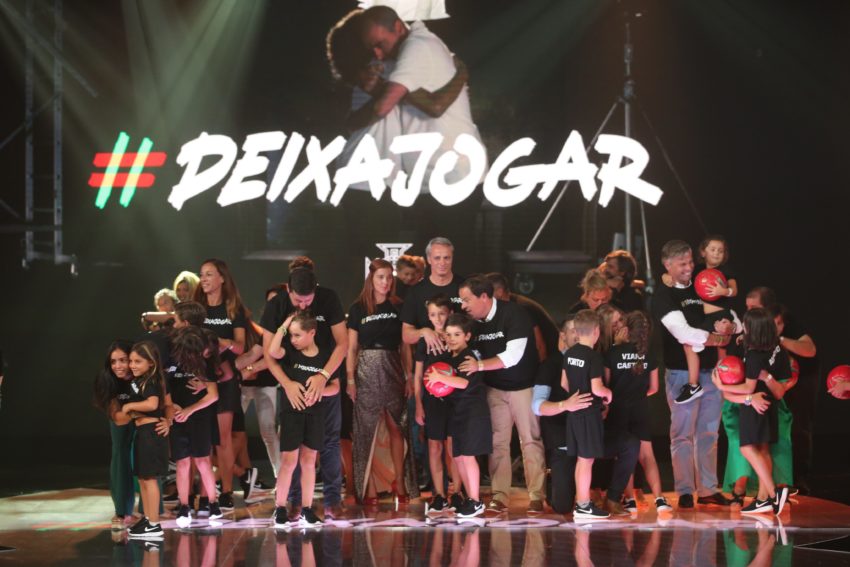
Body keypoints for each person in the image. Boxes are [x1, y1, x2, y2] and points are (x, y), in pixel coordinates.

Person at [357, 6, 485, 186]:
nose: (377, 54)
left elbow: (432, 107)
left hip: (453, 174)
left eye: (379, 44)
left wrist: (382, 89)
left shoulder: (416, 46)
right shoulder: (399, 55)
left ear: (398, 27)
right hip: (433, 176)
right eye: (371, 48)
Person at [651, 240, 735, 509]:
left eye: (690, 261)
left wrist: (730, 325)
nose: (689, 267)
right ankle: (685, 490)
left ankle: (708, 489)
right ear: (667, 265)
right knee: (682, 435)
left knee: (709, 433)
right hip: (680, 373)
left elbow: (730, 312)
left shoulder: (702, 281)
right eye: (682, 264)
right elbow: (683, 333)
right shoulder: (663, 296)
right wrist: (717, 338)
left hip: (711, 371)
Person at [261, 265, 348, 519]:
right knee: (291, 452)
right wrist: (287, 384)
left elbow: (343, 343)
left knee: (328, 442)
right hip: (293, 386)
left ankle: (331, 499)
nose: (302, 305)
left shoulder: (329, 299)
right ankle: (292, 500)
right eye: (298, 300)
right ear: (288, 290)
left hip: (324, 376)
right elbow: (270, 353)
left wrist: (324, 376)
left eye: (308, 300)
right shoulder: (276, 305)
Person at [456, 275, 546, 515]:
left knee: (531, 441)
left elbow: (513, 356)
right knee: (497, 443)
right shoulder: (472, 323)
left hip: (524, 386)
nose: (463, 305)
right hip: (494, 388)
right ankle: (499, 495)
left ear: (484, 297)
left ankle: (536, 496)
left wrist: (479, 366)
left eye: (467, 300)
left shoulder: (514, 314)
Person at [346, 259, 417, 504]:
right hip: (365, 369)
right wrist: (350, 380)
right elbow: (351, 348)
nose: (385, 282)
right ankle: (370, 488)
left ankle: (400, 483)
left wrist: (409, 376)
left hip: (392, 367)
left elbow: (405, 346)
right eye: (380, 277)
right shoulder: (358, 308)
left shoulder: (399, 306)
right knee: (368, 429)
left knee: (396, 426)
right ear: (371, 279)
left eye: (389, 277)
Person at [711, 309, 790, 515]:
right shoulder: (776, 348)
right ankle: (764, 499)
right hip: (769, 404)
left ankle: (773, 494)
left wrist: (721, 386)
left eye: (745, 325)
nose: (743, 328)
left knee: (747, 448)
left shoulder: (754, 355)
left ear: (752, 329)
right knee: (763, 450)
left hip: (755, 405)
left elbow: (748, 388)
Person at [269, 313, 341, 529]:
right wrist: (283, 325)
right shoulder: (290, 352)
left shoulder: (325, 356)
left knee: (309, 461)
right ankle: (280, 508)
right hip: (292, 414)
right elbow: (272, 351)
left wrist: (318, 392)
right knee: (289, 461)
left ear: (312, 333)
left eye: (297, 335)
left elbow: (335, 387)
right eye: (291, 335)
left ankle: (307, 509)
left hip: (315, 414)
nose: (293, 340)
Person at [194, 258, 248, 511]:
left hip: (225, 380)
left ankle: (226, 491)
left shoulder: (233, 309)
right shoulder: (197, 309)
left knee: (223, 439)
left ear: (222, 278)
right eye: (202, 274)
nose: (204, 279)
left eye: (209, 274)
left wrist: (220, 342)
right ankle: (206, 493)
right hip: (200, 380)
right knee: (203, 440)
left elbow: (240, 347)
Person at [424, 313, 490, 518]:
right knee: (459, 457)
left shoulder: (469, 356)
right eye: (449, 334)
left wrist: (438, 377)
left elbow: (463, 383)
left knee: (468, 457)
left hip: (472, 413)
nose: (452, 339)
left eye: (457, 334)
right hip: (457, 413)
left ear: (467, 336)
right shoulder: (450, 357)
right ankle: (470, 499)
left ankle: (476, 501)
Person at [604, 311, 671, 513]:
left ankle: (629, 500)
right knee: (648, 456)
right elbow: (654, 388)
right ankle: (659, 499)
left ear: (626, 328)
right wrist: (638, 395)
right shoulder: (648, 355)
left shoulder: (612, 353)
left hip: (618, 410)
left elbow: (606, 385)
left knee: (625, 456)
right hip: (640, 409)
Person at [531, 316, 594, 514]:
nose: (578, 334)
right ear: (563, 335)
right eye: (573, 330)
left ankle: (610, 496)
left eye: (581, 329)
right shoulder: (551, 364)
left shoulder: (593, 359)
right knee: (562, 506)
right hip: (563, 438)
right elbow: (537, 406)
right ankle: (555, 485)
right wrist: (565, 405)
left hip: (589, 435)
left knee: (627, 445)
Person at [167, 326, 223, 528]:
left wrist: (189, 410)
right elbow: (164, 390)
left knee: (203, 461)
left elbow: (213, 395)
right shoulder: (171, 363)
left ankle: (213, 503)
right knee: (182, 463)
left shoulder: (204, 364)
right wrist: (171, 406)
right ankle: (184, 506)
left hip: (199, 417)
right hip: (177, 418)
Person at [675, 236, 740, 405]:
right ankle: (694, 384)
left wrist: (723, 291)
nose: (716, 253)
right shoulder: (697, 270)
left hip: (720, 315)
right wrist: (668, 278)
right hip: (703, 317)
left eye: (720, 251)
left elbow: (734, 290)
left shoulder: (726, 270)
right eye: (713, 249)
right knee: (689, 344)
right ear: (703, 252)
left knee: (720, 346)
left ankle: (720, 382)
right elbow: (681, 278)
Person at [413, 295, 462, 513]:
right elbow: (418, 376)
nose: (438, 319)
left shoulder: (456, 338)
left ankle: (457, 493)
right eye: (433, 315)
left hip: (455, 401)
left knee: (453, 447)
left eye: (441, 314)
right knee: (434, 447)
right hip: (432, 402)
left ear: (450, 313)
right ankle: (439, 495)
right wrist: (418, 404)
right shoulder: (425, 341)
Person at [561, 310, 613, 520]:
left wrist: (575, 397)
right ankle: (583, 506)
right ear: (596, 331)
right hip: (589, 414)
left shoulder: (569, 353)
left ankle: (581, 503)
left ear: (575, 331)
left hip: (574, 413)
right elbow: (597, 388)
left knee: (582, 460)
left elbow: (564, 383)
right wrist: (608, 394)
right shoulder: (593, 356)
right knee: (586, 460)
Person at [123, 341, 170, 539]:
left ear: (151, 363)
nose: (132, 365)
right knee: (143, 478)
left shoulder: (151, 381)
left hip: (151, 434)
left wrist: (129, 407)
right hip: (143, 433)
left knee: (150, 479)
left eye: (138, 361)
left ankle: (154, 524)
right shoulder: (140, 381)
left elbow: (152, 404)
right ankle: (148, 519)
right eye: (131, 361)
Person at [92, 340, 138, 531]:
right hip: (123, 426)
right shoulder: (107, 380)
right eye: (113, 361)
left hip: (144, 427)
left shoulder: (143, 378)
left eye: (123, 360)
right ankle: (122, 511)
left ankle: (152, 510)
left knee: (147, 465)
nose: (118, 366)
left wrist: (134, 411)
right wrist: (140, 412)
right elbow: (118, 418)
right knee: (121, 459)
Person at [401, 237, 464, 353]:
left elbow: (476, 324)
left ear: (452, 258)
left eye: (447, 258)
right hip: (428, 359)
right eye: (437, 258)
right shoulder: (416, 291)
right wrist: (424, 332)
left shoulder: (465, 287)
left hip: (461, 358)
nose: (442, 263)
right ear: (429, 259)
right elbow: (406, 335)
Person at [485, 272, 559, 361]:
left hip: (550, 354)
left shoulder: (523, 308)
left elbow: (539, 345)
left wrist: (543, 367)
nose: (484, 297)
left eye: (487, 293)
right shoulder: (510, 306)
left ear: (500, 292)